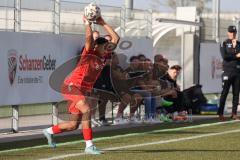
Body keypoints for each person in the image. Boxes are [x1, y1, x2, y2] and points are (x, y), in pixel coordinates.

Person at [42, 15, 120, 154]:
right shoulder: (89, 52)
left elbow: (116, 39)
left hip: (82, 90)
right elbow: (88, 39)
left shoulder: (104, 56)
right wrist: (87, 24)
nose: (107, 48)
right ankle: (89, 146)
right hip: (72, 85)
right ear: (97, 46)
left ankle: (49, 131)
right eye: (104, 46)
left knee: (73, 125)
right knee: (87, 110)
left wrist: (103, 22)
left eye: (107, 47)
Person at [218, 25, 240, 121]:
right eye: (231, 32)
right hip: (227, 71)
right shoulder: (224, 43)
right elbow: (225, 56)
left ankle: (234, 113)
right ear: (228, 33)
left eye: (234, 32)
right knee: (225, 93)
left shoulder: (239, 43)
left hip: (237, 71)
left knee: (236, 93)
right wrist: (236, 55)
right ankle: (220, 113)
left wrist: (234, 54)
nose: (232, 34)